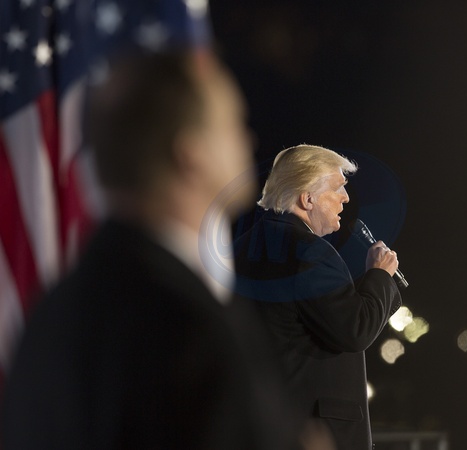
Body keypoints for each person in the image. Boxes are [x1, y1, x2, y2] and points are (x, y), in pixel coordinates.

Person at [0, 50, 301, 449]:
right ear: (191, 154)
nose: (249, 139)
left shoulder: (53, 310)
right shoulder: (185, 327)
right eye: (233, 125)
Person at [234, 144, 403, 450]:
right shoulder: (310, 250)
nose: (346, 198)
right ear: (307, 198)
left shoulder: (239, 249)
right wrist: (379, 275)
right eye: (337, 187)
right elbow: (355, 329)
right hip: (316, 433)